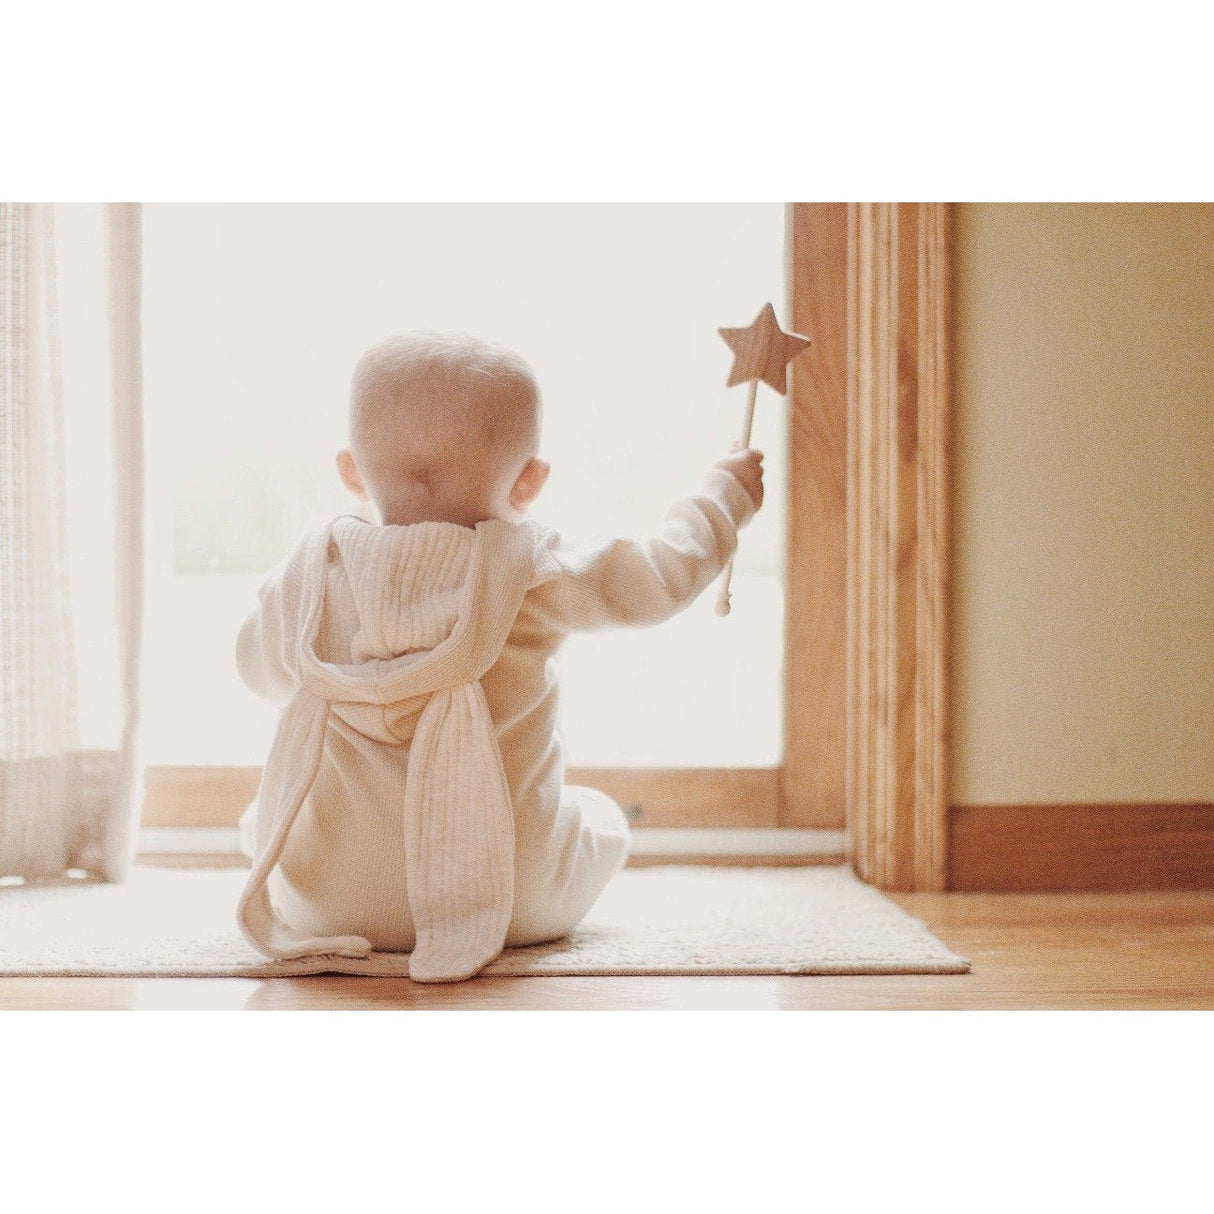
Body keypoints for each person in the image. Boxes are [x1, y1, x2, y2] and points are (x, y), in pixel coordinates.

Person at [235, 331, 764, 982]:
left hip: (326, 906)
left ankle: (335, 873)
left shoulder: (309, 577)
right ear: (530, 481)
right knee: (601, 820)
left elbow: (255, 669)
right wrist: (724, 498)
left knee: (262, 821)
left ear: (350, 471)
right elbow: (660, 577)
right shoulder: (531, 572)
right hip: (514, 900)